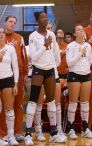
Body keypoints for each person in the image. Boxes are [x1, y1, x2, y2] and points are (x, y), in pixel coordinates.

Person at [24, 11, 65, 145]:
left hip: (50, 71)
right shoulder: (32, 36)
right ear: (37, 21)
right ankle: (28, 134)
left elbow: (57, 55)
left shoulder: (52, 35)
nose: (45, 19)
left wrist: (53, 64)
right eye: (42, 18)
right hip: (38, 70)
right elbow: (34, 57)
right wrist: (44, 45)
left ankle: (54, 133)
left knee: (52, 101)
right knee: (33, 101)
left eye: (46, 17)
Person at [32, 28, 68, 142]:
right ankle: (38, 131)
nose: (47, 30)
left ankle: (58, 130)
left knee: (56, 104)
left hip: (53, 74)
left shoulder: (53, 42)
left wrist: (50, 66)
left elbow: (58, 60)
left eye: (49, 28)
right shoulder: (35, 40)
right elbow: (33, 58)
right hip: (40, 75)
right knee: (38, 104)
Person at [0, 15, 28, 142]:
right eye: (10, 21)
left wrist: (25, 72)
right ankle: (3, 132)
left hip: (19, 74)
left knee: (18, 104)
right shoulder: (0, 37)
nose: (12, 24)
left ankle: (18, 131)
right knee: (5, 104)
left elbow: (24, 56)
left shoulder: (19, 38)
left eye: (14, 22)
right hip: (4, 74)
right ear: (5, 23)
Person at [66, 24, 92, 139]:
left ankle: (85, 129)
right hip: (74, 75)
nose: (81, 31)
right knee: (73, 103)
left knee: (85, 103)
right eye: (78, 29)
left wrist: (85, 69)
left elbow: (90, 61)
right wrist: (80, 53)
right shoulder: (71, 46)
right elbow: (69, 63)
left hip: (86, 74)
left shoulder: (88, 46)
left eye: (82, 29)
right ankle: (71, 129)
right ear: (74, 33)